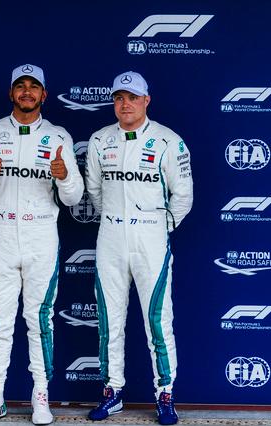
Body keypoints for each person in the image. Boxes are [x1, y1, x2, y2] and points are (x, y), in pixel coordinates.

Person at [0, 64, 84, 425]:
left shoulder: (58, 136)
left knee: (40, 319)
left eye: (34, 86)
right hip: (1, 233)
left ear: (44, 94)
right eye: (20, 86)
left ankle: (41, 397)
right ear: (11, 93)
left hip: (40, 235)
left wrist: (64, 178)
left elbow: (74, 197)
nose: (27, 92)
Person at [84, 71, 193, 425]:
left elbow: (183, 196)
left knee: (158, 320)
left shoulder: (168, 141)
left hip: (151, 238)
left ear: (146, 100)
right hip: (111, 236)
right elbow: (95, 191)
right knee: (109, 320)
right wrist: (115, 219)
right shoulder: (100, 140)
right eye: (119, 97)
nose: (125, 104)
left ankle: (165, 393)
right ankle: (112, 390)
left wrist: (159, 227)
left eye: (132, 97)